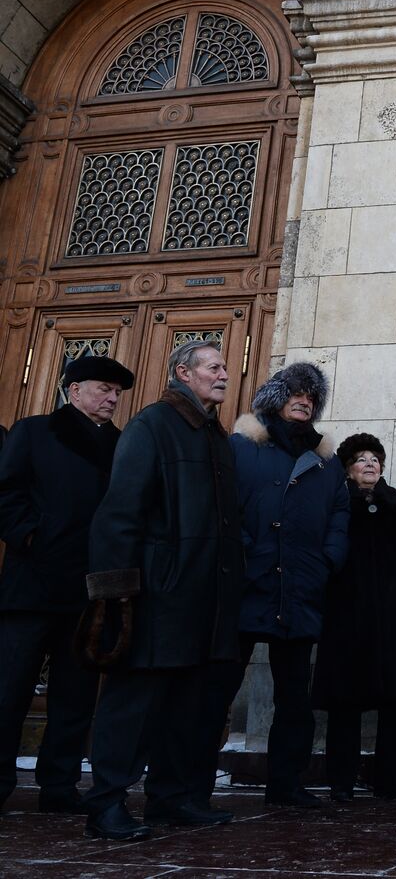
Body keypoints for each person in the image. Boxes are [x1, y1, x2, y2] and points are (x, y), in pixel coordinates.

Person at [82, 341, 243, 840]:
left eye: (225, 368)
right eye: (213, 367)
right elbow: (119, 515)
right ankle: (106, 804)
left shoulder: (214, 433)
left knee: (185, 708)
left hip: (204, 600)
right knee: (132, 706)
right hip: (156, 597)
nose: (223, 375)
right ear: (182, 372)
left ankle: (172, 799)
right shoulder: (152, 425)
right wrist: (117, 597)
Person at [0, 356, 133, 815]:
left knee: (74, 697)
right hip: (32, 587)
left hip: (88, 592)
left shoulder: (121, 444)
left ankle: (59, 786)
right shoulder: (34, 431)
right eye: (103, 388)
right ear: (72, 389)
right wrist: (31, 535)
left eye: (117, 392)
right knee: (8, 690)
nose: (112, 398)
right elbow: (7, 491)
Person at [225, 361, 348, 808]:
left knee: (295, 699)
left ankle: (286, 786)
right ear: (277, 397)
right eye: (295, 392)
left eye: (311, 397)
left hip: (300, 588)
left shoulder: (326, 460)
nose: (304, 401)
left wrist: (327, 560)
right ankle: (189, 784)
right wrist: (239, 554)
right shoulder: (241, 447)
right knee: (218, 686)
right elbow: (224, 507)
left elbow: (339, 513)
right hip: (246, 585)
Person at [312, 433, 396, 803]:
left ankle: (390, 779)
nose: (369, 464)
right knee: (345, 703)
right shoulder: (337, 503)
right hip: (348, 618)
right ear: (347, 468)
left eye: (375, 459)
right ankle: (341, 781)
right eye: (361, 459)